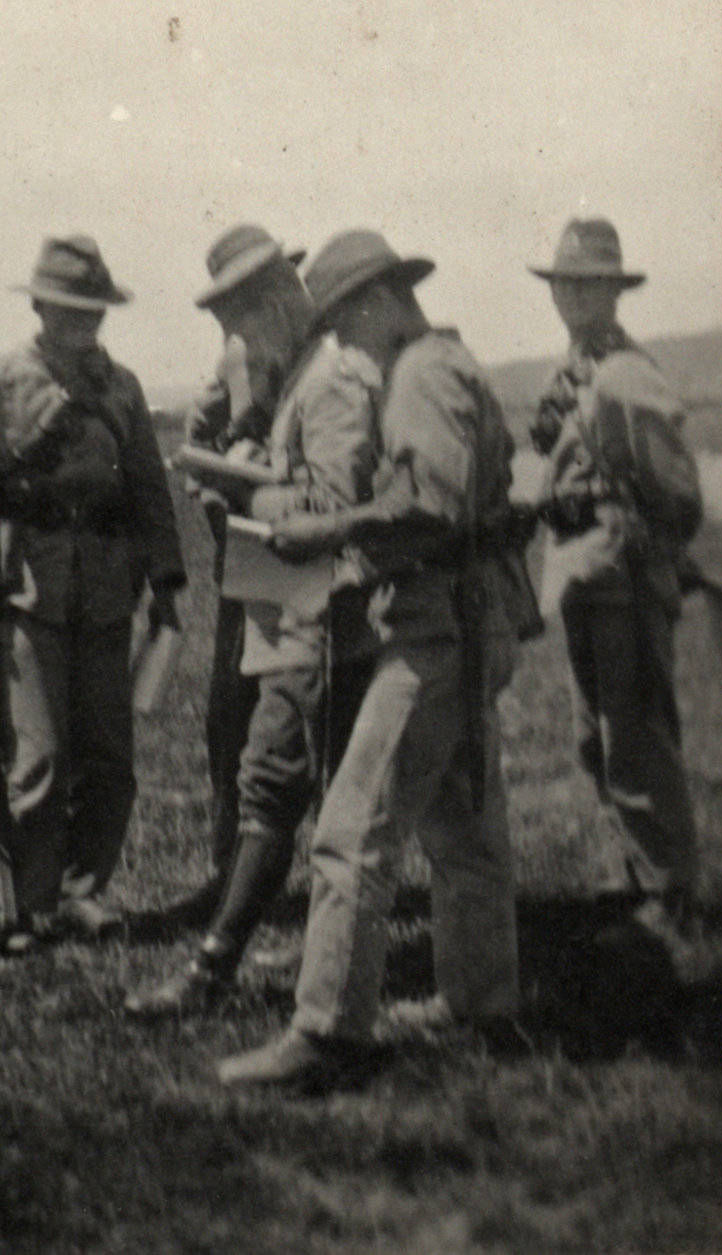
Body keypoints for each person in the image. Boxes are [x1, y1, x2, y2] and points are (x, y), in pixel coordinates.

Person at [219, 229, 536, 1090]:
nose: (344, 345)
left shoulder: (423, 375)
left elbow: (427, 506)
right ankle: (479, 1000)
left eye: (345, 325)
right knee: (465, 830)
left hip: (435, 630)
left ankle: (326, 1030)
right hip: (467, 623)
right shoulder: (448, 362)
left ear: (379, 303)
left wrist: (327, 527)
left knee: (350, 832)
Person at [0, 235, 186, 952]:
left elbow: (150, 490)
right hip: (26, 595)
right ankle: (34, 904)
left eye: (97, 311)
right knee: (39, 762)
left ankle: (85, 891)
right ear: (41, 305)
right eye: (72, 309)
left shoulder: (124, 387)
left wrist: (167, 586)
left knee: (111, 762)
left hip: (110, 594)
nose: (86, 324)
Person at [124, 225, 384, 1016]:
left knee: (276, 782)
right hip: (304, 603)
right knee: (333, 796)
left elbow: (336, 506)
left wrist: (245, 493)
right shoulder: (302, 369)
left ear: (275, 299)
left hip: (326, 608)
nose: (232, 338)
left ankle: (214, 972)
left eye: (236, 316)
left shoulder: (329, 378)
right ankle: (334, 961)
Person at [526, 217, 703, 949]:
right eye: (564, 282)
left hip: (621, 569)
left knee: (635, 737)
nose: (571, 296)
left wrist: (638, 539)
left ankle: (673, 897)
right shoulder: (576, 365)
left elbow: (680, 493)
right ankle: (641, 874)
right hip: (583, 567)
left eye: (587, 284)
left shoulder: (627, 373)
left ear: (613, 290)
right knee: (594, 739)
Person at [174, 226, 306, 920]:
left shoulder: (333, 339)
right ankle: (232, 868)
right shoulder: (238, 353)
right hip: (255, 543)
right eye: (235, 302)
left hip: (328, 535)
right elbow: (201, 437)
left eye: (260, 289)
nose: (249, 312)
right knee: (237, 706)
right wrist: (217, 474)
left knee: (308, 704)